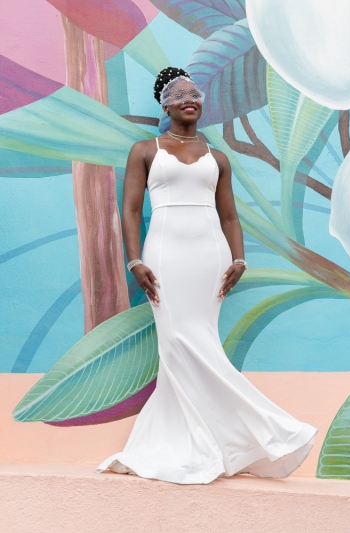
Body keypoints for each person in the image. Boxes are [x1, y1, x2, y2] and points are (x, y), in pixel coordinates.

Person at [95, 67, 318, 484]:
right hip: (163, 253)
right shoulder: (145, 150)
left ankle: (209, 441)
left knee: (199, 341)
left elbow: (229, 214)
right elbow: (128, 210)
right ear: (165, 104)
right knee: (178, 343)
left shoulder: (218, 157)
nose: (189, 99)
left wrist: (239, 259)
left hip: (209, 255)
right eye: (179, 94)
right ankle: (264, 430)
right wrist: (134, 261)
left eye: (194, 93)